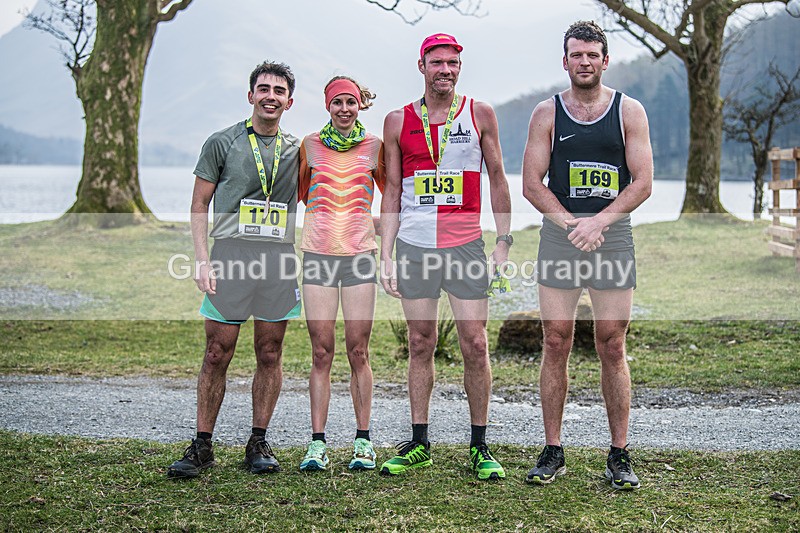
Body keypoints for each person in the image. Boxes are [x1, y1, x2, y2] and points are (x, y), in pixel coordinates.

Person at [521, 21, 653, 490]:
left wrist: (599, 222)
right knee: (555, 340)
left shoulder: (628, 111)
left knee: (611, 344)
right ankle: (553, 450)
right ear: (565, 61)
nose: (584, 62)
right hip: (561, 238)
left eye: (592, 54)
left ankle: (619, 454)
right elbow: (532, 183)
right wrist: (573, 223)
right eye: (576, 55)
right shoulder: (547, 112)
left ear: (604, 59)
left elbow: (642, 182)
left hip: (612, 239)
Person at [379, 33, 513, 480]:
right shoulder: (397, 120)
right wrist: (385, 254)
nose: (445, 70)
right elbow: (393, 190)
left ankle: (480, 444)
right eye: (436, 62)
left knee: (475, 344)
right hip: (415, 247)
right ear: (421, 66)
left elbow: (497, 177)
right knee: (421, 343)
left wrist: (503, 240)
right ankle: (420, 442)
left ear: (460, 67)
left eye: (452, 63)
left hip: (465, 245)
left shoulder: (480, 114)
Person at [167, 61, 302, 478]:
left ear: (289, 101)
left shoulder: (300, 149)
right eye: (263, 88)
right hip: (229, 256)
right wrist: (201, 260)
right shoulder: (221, 142)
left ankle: (258, 441)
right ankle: (202, 445)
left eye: (278, 91)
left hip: (278, 260)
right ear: (250, 96)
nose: (270, 96)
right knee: (215, 353)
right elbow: (197, 205)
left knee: (270, 351)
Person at [296, 76, 385, 471]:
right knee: (321, 351)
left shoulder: (376, 147)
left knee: (358, 350)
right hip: (317, 256)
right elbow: (303, 192)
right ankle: (317, 444)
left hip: (360, 257)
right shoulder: (310, 145)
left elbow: (393, 194)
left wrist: (371, 225)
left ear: (359, 105)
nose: (345, 109)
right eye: (338, 103)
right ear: (327, 106)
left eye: (351, 102)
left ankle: (363, 442)